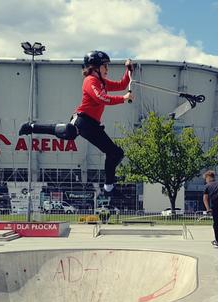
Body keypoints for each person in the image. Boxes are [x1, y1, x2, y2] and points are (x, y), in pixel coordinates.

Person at [19, 50, 134, 194]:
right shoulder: (90, 81)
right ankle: (32, 127)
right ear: (96, 67)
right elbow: (101, 98)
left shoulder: (102, 82)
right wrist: (123, 98)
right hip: (83, 120)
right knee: (70, 132)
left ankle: (108, 186)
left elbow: (122, 84)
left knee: (116, 153)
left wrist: (128, 70)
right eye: (105, 66)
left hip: (94, 126)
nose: (107, 69)